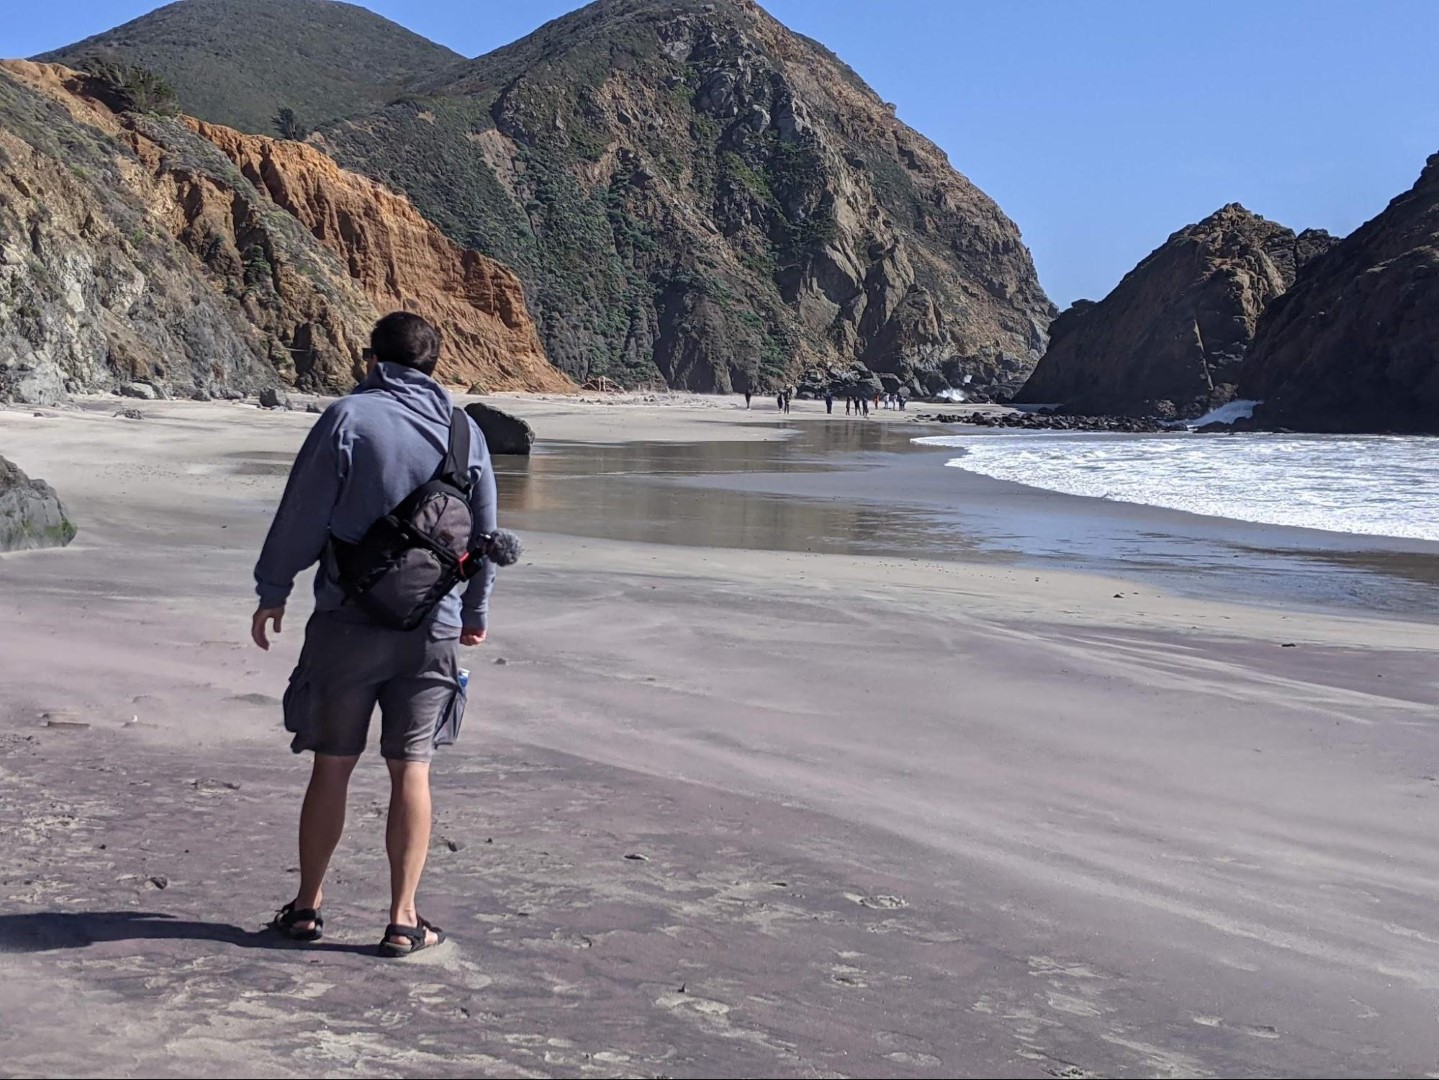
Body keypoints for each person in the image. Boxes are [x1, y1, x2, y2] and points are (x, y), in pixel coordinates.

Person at [251, 311, 497, 958]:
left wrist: (272, 590)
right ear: (434, 364)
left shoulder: (349, 418)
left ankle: (306, 909)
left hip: (346, 621)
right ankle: (402, 919)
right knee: (411, 769)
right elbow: (485, 536)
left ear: (370, 359)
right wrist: (474, 613)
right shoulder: (465, 431)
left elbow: (302, 513)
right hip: (432, 627)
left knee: (332, 766)